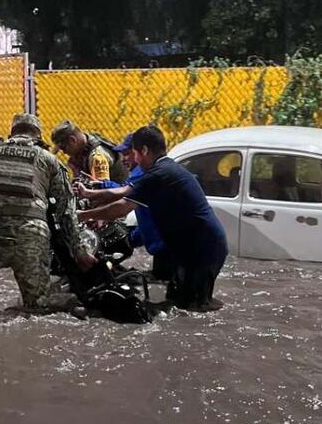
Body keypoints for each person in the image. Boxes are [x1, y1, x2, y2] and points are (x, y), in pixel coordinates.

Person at [0, 113, 96, 317]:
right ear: (37, 134)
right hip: (31, 236)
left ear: (12, 132)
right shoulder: (48, 159)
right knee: (37, 309)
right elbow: (66, 210)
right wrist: (79, 251)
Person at [76, 125, 227, 311]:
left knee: (193, 307)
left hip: (202, 249)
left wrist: (84, 215)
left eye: (134, 153)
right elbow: (124, 191)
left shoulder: (159, 174)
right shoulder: (162, 169)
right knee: (177, 301)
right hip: (194, 247)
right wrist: (89, 193)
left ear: (144, 150)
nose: (132, 159)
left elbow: (123, 207)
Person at [112, 133, 172, 281]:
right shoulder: (141, 172)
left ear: (141, 152)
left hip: (166, 243)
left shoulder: (143, 173)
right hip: (163, 243)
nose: (123, 159)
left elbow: (124, 197)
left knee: (164, 281)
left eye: (128, 153)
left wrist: (86, 213)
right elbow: (147, 220)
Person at [51, 120, 127, 184]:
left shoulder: (97, 157)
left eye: (63, 148)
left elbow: (101, 189)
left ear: (72, 140)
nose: (64, 152)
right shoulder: (85, 146)